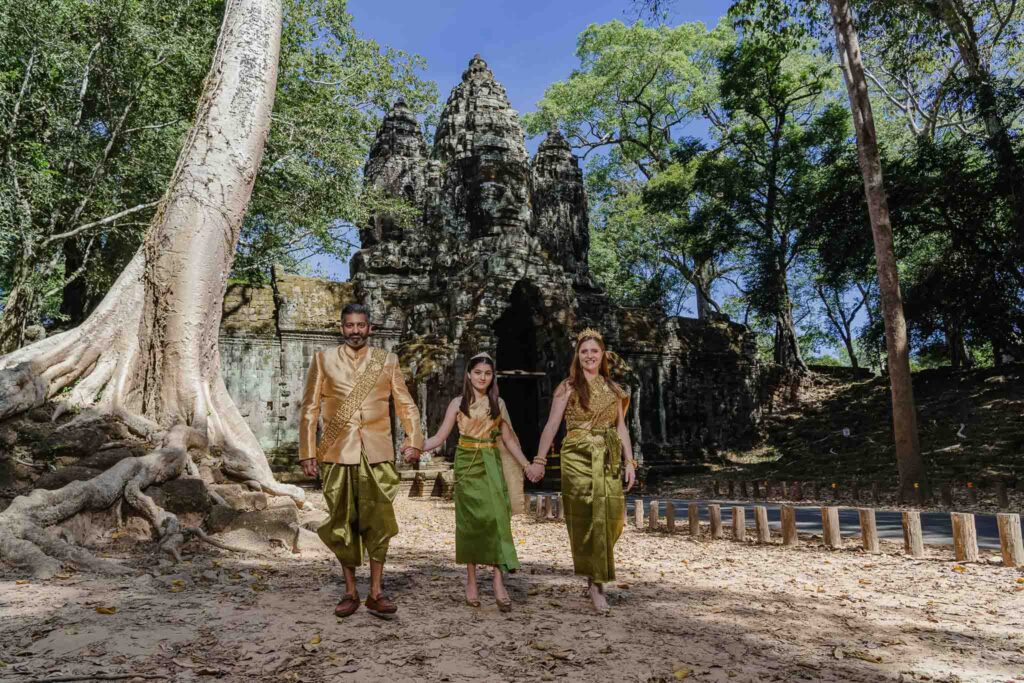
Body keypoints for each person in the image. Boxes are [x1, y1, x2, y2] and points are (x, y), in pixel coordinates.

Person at [297, 303, 422, 618]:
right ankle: (351, 591)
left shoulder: (387, 361)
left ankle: (377, 592)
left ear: (370, 328)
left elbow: (405, 404)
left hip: (377, 453)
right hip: (337, 453)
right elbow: (309, 409)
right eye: (349, 325)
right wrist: (307, 451)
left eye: (361, 325)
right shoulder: (323, 360)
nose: (355, 331)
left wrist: (414, 440)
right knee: (343, 522)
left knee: (379, 521)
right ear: (342, 328)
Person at [525, 328, 637, 614]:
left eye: (594, 351)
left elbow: (621, 428)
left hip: (608, 454)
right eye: (584, 351)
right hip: (576, 454)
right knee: (587, 517)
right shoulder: (568, 386)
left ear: (603, 355)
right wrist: (539, 459)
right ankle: (596, 583)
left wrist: (630, 462)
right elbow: (552, 424)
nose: (589, 356)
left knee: (614, 519)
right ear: (578, 355)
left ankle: (595, 572)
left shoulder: (614, 390)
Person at [418, 352, 533, 611]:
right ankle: (471, 580)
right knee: (470, 523)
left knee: (496, 519)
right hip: (467, 464)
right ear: (469, 375)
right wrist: (417, 447)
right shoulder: (458, 403)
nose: (482, 377)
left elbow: (509, 439)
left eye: (488, 373)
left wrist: (527, 465)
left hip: (492, 463)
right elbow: (438, 438)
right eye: (478, 372)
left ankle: (497, 581)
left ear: (492, 378)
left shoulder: (498, 404)